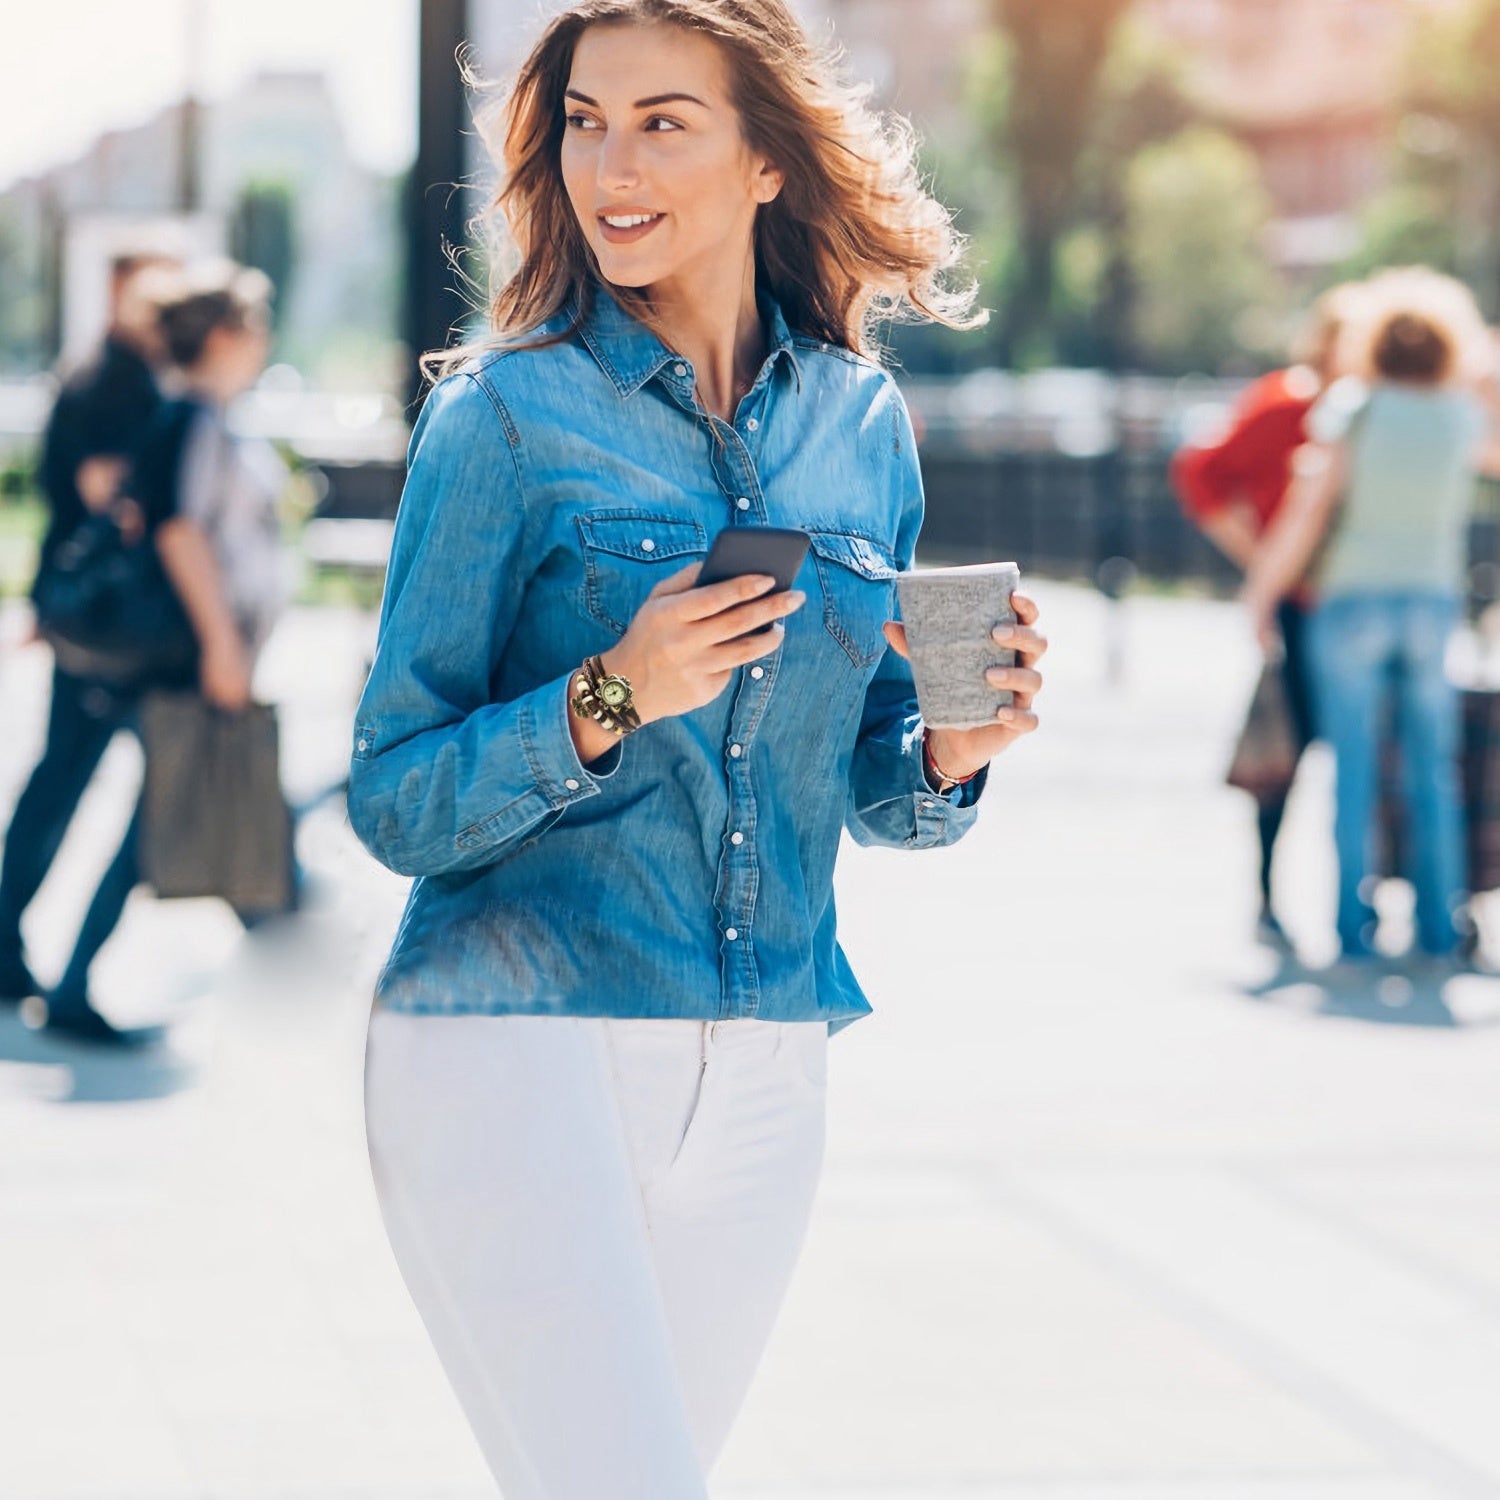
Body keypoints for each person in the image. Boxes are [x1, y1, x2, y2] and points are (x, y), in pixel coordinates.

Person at [348, 2, 1047, 1494]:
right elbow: (396, 793)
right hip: (515, 1039)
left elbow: (875, 786)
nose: (611, 162)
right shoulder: (507, 416)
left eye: (665, 120)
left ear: (767, 161)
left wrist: (950, 752)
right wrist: (611, 693)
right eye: (586, 121)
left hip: (768, 1062)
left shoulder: (863, 424)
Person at [39, 261, 288, 1044]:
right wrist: (222, 645)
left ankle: (79, 981)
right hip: (182, 651)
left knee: (159, 810)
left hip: (185, 647)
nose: (263, 342)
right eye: (255, 326)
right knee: (158, 811)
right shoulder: (192, 417)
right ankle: (76, 986)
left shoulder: (191, 413)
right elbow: (181, 531)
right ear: (222, 336)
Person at [1244, 267, 1500, 966]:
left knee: (1352, 768)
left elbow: (1307, 515)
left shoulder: (1354, 407)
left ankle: (1352, 930)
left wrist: (1262, 592)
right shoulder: (1459, 416)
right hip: (1431, 603)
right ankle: (1440, 929)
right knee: (1433, 770)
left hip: (1351, 602)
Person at [0, 252, 177, 1011]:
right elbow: (106, 495)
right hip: (105, 621)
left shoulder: (111, 373)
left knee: (67, 778)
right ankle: (20, 954)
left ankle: (20, 950)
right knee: (73, 779)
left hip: (90, 613)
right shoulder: (113, 380)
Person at [1170, 283, 1363, 946]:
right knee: (1290, 750)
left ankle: (1355, 900)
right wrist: (1262, 563)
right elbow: (1200, 470)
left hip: (1349, 600)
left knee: (1359, 754)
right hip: (1304, 606)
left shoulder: (1366, 407)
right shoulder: (1291, 400)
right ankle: (1269, 895)